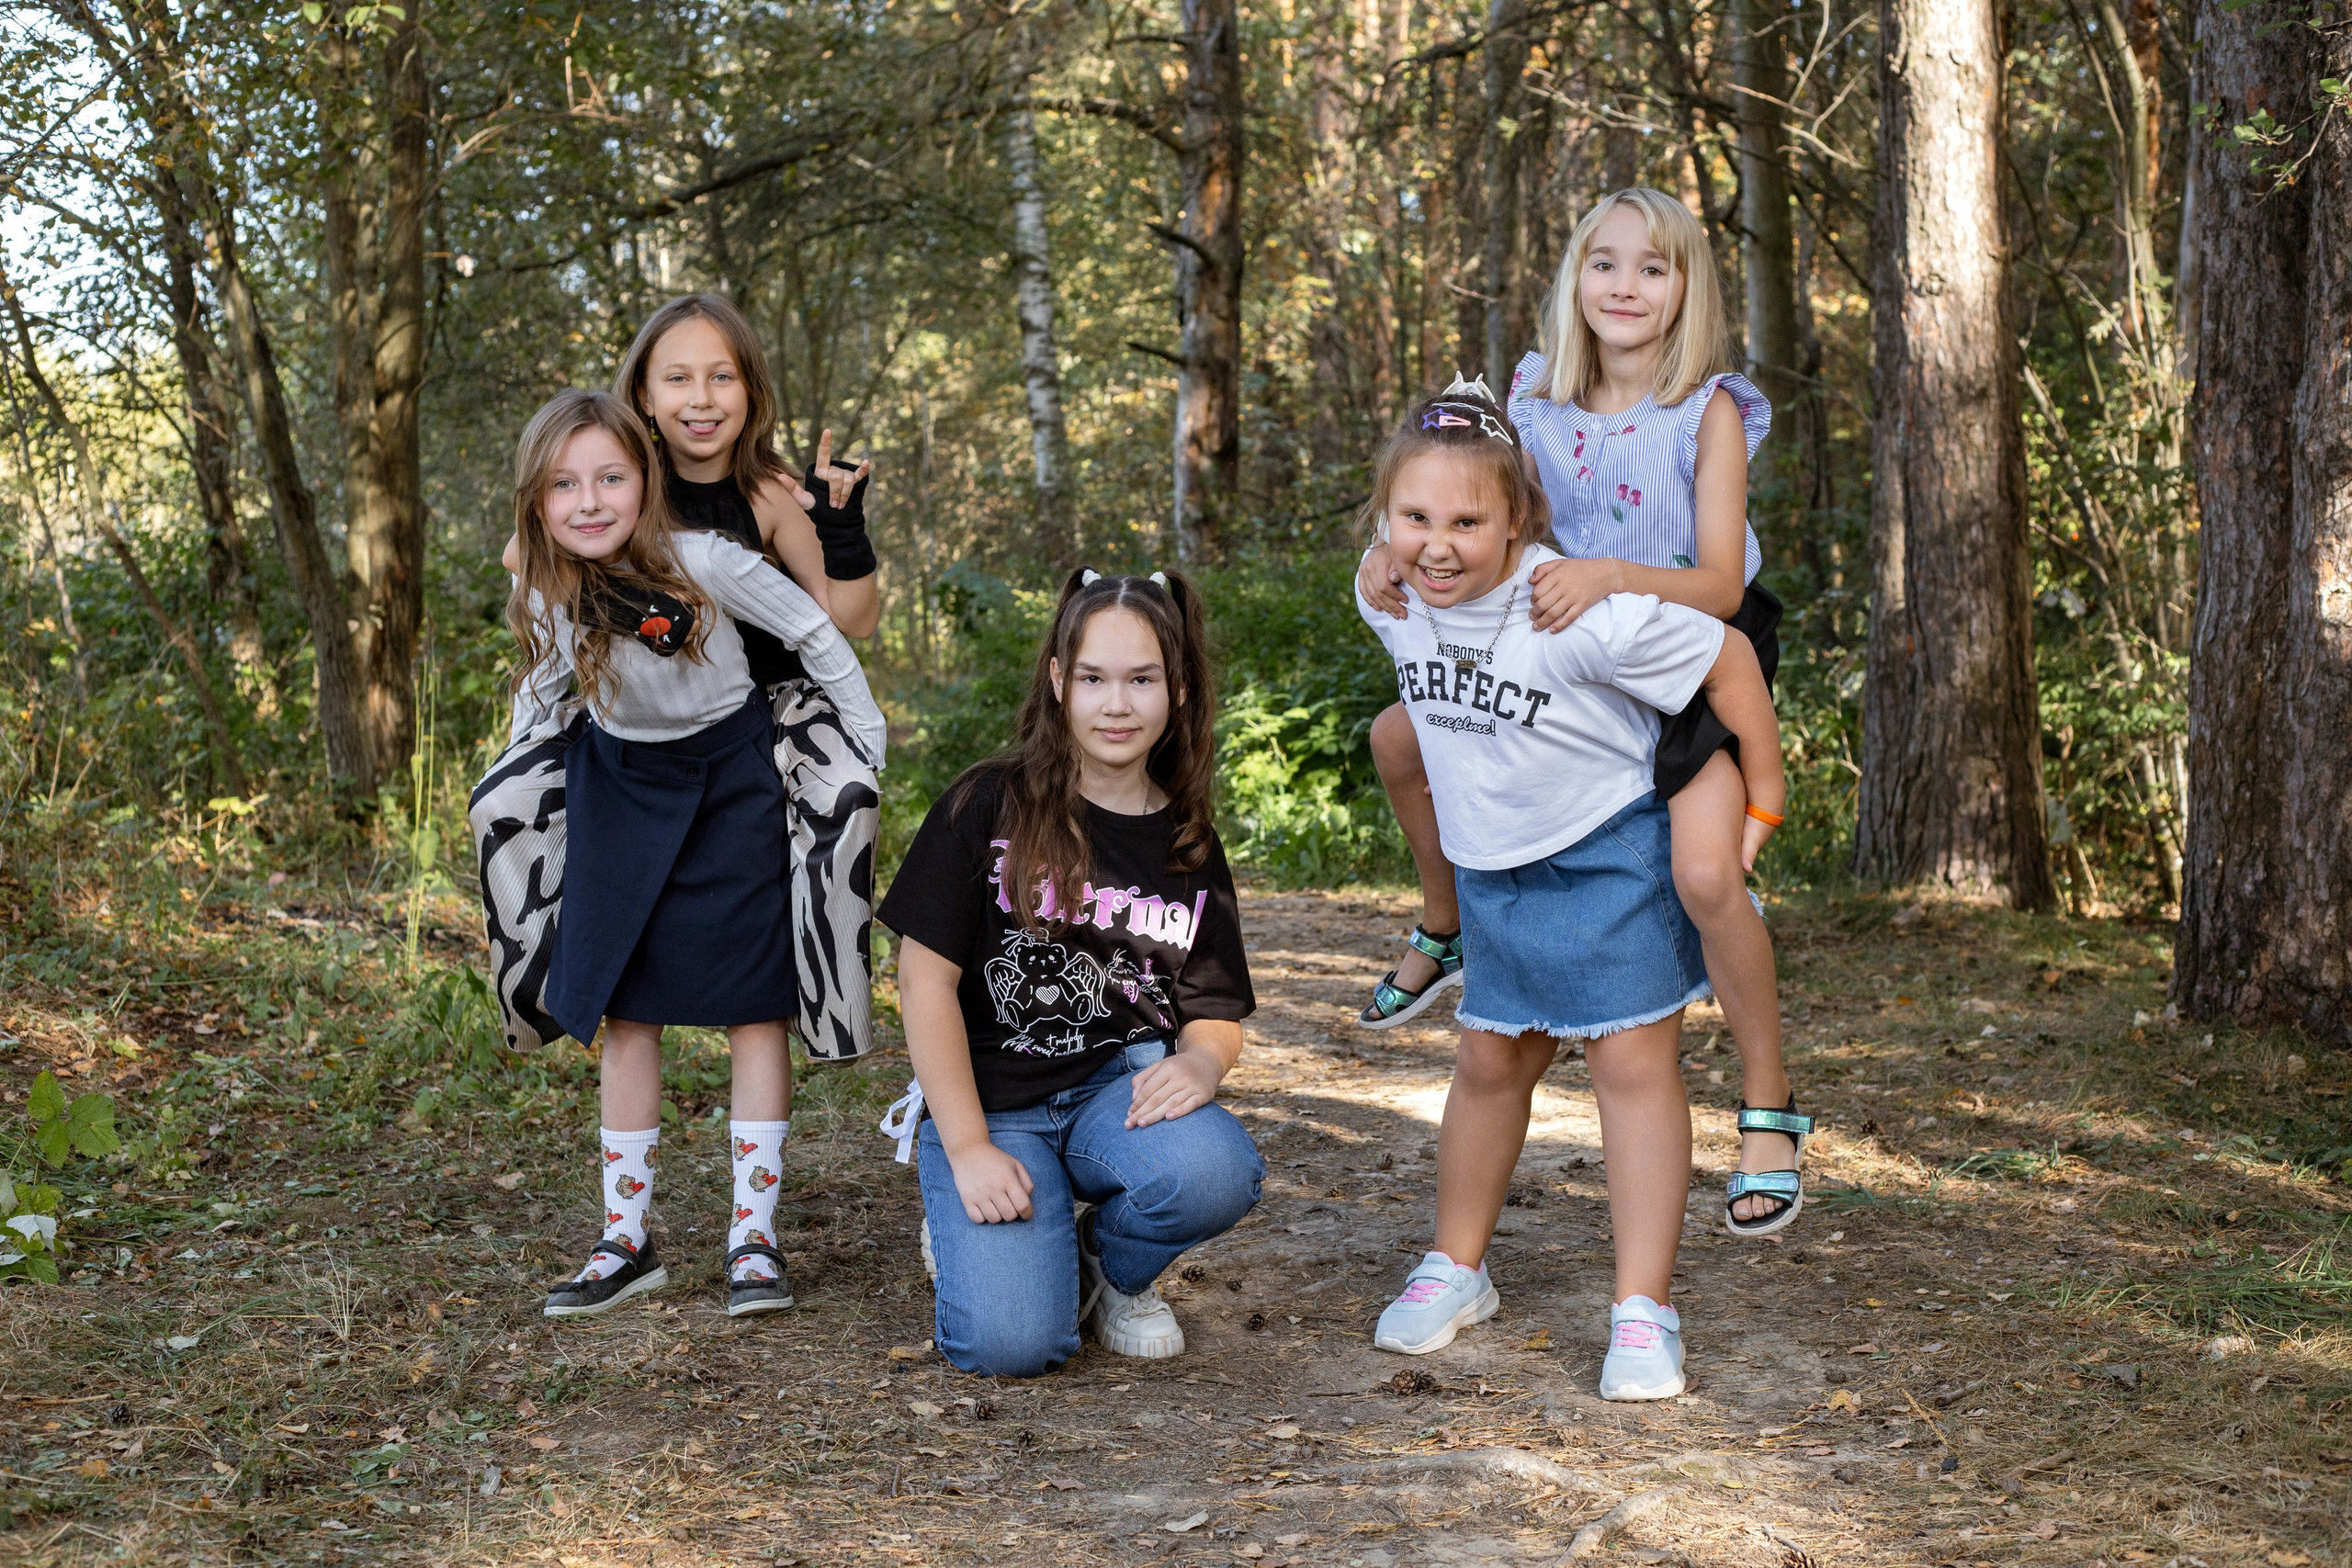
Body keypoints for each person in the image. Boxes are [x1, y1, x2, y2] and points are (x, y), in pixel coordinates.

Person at [1356, 188, 1811, 1236]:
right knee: (1397, 738)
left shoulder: (1706, 411)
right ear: (1574, 280)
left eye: (1652, 268)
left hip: (1691, 653)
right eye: (1604, 264)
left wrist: (1608, 577)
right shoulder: (1535, 399)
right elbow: (1474, 504)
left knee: (1702, 872)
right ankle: (1448, 923)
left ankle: (1769, 1106)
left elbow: (1721, 588)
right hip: (1568, 654)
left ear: (1685, 288)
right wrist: (1394, 547)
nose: (1624, 286)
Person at [1353, 381, 1784, 1400]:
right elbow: (1404, 671)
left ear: (1519, 524)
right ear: (1384, 524)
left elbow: (1724, 652)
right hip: (1497, 869)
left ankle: (1644, 1310)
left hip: (1608, 855)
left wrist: (1763, 792)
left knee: (1630, 1071)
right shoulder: (1392, 592)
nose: (1439, 543)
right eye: (1414, 520)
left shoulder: (1572, 610)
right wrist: (1384, 559)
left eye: (1468, 521)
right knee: (1489, 1065)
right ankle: (1456, 1267)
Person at [500, 389, 888, 1320]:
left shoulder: (707, 561)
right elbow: (548, 687)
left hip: (731, 786)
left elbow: (810, 630)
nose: (589, 501)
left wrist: (862, 740)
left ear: (647, 480)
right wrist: (515, 779)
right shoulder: (553, 587)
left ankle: (752, 1236)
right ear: (537, 501)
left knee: (755, 1011)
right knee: (626, 1016)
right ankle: (625, 1241)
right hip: (618, 793)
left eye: (610, 478)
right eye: (564, 485)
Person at [472, 292, 882, 1070]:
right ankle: (540, 984)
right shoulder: (621, 480)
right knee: (503, 800)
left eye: (722, 377)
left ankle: (832, 1000)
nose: (701, 399)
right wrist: (642, 610)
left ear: (752, 393)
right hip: (633, 707)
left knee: (847, 796)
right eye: (678, 379)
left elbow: (843, 619)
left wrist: (842, 531)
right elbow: (524, 557)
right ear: (643, 398)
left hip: (766, 705)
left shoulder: (767, 493)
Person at [875, 570, 1263, 1377]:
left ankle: (1109, 1264)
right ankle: (974, 1207)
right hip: (991, 1107)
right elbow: (923, 984)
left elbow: (1215, 1008)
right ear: (1058, 681)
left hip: (1112, 1097)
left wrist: (1201, 1059)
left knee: (1217, 1168)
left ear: (1179, 688)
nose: (1116, 705)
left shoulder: (1188, 842)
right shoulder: (987, 803)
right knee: (1013, 1346)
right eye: (1092, 678)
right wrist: (971, 1145)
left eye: (1141, 679)